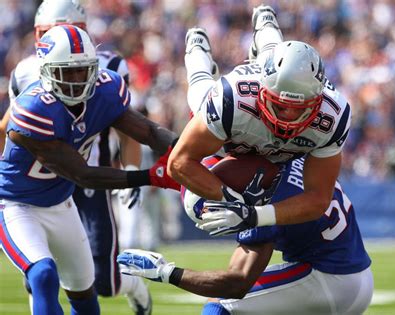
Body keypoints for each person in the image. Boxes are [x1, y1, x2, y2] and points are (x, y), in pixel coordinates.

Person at [0, 24, 177, 315]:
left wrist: (187, 147)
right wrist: (147, 176)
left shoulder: (105, 90)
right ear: (46, 72)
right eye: (67, 72)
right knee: (43, 275)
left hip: (61, 204)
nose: (77, 80)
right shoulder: (33, 109)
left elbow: (147, 131)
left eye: (82, 70)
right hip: (17, 206)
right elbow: (84, 174)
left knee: (85, 294)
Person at [168, 5, 351, 236]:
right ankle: (197, 52)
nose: (287, 116)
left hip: (272, 149)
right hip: (233, 138)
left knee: (274, 59)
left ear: (317, 101)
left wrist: (255, 215)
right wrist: (233, 200)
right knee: (202, 91)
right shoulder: (232, 98)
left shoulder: (333, 116)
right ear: (262, 93)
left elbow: (318, 198)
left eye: (298, 109)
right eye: (279, 105)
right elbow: (178, 163)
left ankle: (266, 24)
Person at [117, 155, 373, 314]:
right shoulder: (289, 153)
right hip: (356, 272)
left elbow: (235, 284)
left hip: (330, 281)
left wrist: (165, 272)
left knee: (220, 306)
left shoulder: (263, 203)